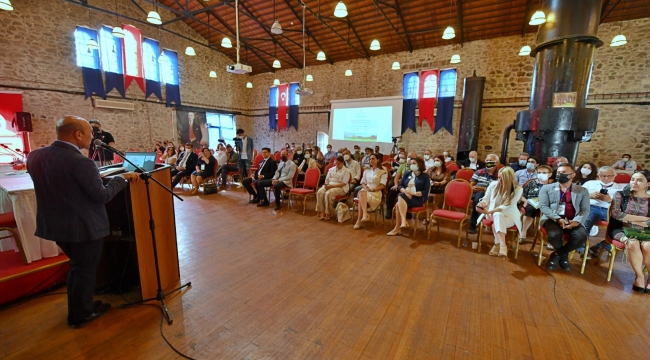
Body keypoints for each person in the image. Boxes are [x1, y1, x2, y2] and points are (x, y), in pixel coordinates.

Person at [27, 115, 139, 328]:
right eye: (89, 134)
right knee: (84, 270)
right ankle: (81, 314)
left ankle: (81, 305)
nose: (91, 139)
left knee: (78, 267)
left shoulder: (35, 156)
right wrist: (120, 179)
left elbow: (61, 187)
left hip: (54, 225)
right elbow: (102, 196)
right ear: (78, 134)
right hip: (82, 228)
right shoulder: (81, 162)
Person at [539, 163, 590, 271]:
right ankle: (564, 256)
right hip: (552, 218)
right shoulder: (547, 188)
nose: (559, 175)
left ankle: (557, 254)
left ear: (572, 175)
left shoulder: (582, 191)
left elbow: (585, 210)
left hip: (573, 219)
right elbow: (543, 206)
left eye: (564, 173)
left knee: (581, 236)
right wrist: (558, 219)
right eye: (558, 172)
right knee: (554, 235)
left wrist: (576, 221)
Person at [607, 170, 650, 293]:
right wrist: (644, 219)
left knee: (648, 246)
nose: (634, 182)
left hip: (645, 231)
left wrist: (631, 220)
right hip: (620, 228)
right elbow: (616, 215)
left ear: (648, 184)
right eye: (633, 179)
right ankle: (640, 277)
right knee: (632, 243)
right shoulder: (620, 195)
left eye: (640, 180)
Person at [475, 167, 523, 258]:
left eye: (502, 178)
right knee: (497, 215)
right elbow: (486, 199)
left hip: (509, 215)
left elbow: (506, 206)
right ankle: (503, 245)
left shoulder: (518, 189)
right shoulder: (493, 184)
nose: (499, 180)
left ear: (509, 179)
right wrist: (481, 204)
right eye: (499, 177)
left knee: (496, 221)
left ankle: (498, 245)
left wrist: (489, 211)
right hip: (491, 214)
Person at [582, 166, 623, 253]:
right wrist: (589, 196)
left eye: (609, 176)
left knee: (620, 227)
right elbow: (576, 197)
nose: (606, 178)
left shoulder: (620, 188)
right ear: (598, 175)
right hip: (591, 207)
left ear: (615, 176)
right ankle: (583, 249)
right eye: (603, 175)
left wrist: (610, 200)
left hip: (609, 209)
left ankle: (601, 246)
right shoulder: (589, 183)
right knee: (584, 224)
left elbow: (623, 205)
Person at [387, 157, 430, 236]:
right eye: (410, 164)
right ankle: (402, 222)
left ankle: (398, 227)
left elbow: (425, 191)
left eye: (414, 164)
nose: (411, 165)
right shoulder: (407, 173)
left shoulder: (425, 176)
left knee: (398, 203)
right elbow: (400, 185)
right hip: (405, 196)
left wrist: (412, 193)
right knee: (400, 197)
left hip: (417, 198)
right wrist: (404, 191)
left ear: (419, 164)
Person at [468, 154, 501, 234]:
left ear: (496, 163)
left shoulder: (499, 174)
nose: (488, 162)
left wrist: (484, 189)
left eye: (491, 161)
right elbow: (471, 185)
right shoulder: (479, 172)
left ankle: (474, 223)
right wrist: (473, 188)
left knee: (481, 195)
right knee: (479, 196)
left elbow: (499, 188)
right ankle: (480, 220)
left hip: (493, 195)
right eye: (487, 160)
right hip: (477, 194)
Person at [519, 165, 553, 242]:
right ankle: (523, 234)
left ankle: (550, 238)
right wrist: (525, 201)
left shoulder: (553, 185)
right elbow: (521, 195)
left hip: (546, 205)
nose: (541, 174)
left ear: (550, 174)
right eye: (539, 172)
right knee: (530, 209)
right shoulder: (531, 183)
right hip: (531, 203)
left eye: (544, 172)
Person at [353, 154, 387, 229]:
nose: (371, 160)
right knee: (362, 192)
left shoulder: (382, 171)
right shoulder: (366, 171)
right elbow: (363, 182)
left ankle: (359, 220)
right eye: (370, 159)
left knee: (361, 198)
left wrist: (373, 189)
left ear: (378, 160)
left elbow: (383, 185)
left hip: (376, 192)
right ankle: (365, 214)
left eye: (373, 159)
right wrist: (366, 188)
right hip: (366, 190)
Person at [316, 156, 351, 220]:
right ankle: (322, 211)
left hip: (341, 188)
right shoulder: (332, 169)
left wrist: (332, 186)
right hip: (330, 185)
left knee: (328, 193)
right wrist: (326, 184)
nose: (337, 165)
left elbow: (343, 183)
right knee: (320, 192)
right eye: (336, 163)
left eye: (339, 164)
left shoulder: (346, 171)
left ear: (343, 163)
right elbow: (327, 179)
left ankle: (328, 212)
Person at [385, 151, 414, 219]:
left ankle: (407, 211)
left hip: (411, 187)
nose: (410, 159)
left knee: (408, 194)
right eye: (409, 157)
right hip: (402, 185)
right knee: (392, 191)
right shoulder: (402, 166)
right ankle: (390, 210)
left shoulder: (416, 167)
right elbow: (397, 177)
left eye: (412, 157)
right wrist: (396, 184)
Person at [426, 155, 451, 225]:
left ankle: (434, 217)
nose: (435, 162)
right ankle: (427, 216)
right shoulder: (431, 169)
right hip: (431, 188)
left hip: (440, 189)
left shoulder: (446, 171)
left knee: (436, 197)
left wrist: (439, 183)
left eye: (437, 160)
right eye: (434, 161)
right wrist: (431, 182)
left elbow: (445, 180)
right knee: (426, 197)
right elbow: (427, 178)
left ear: (442, 162)